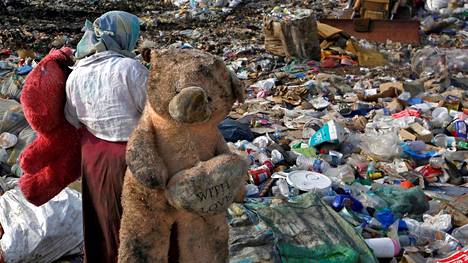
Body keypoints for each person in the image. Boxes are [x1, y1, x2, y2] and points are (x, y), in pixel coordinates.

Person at [64, 11, 148, 263]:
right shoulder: (130, 68)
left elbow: (72, 118)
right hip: (132, 158)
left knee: (103, 221)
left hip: (93, 158)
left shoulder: (76, 72)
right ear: (124, 36)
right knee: (137, 224)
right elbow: (154, 112)